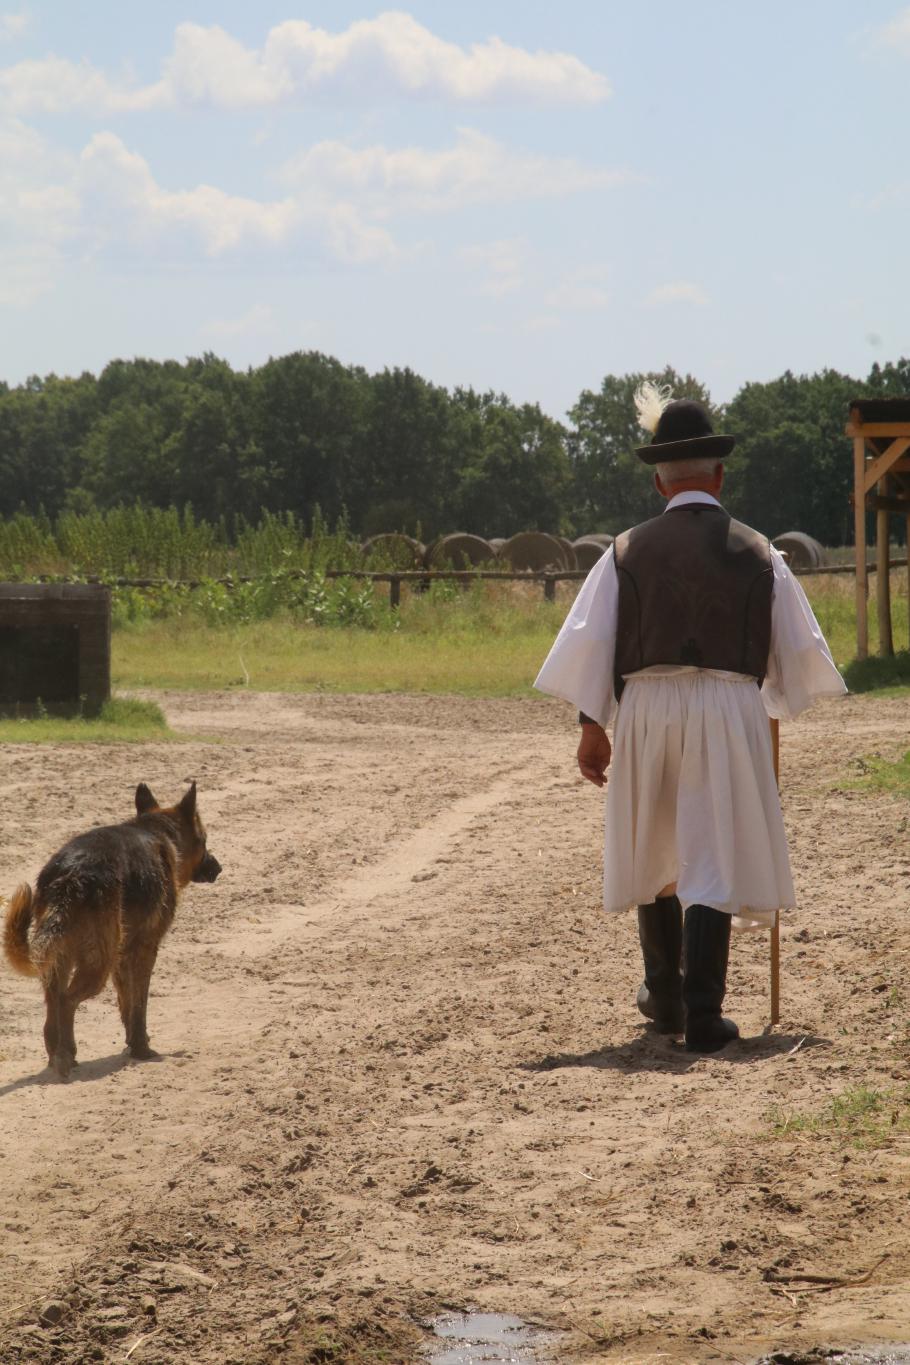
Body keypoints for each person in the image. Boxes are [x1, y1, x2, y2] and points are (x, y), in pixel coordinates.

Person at [534, 383, 846, 1052]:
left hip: (647, 704)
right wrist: (772, 695)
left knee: (657, 841)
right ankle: (704, 1010)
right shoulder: (762, 552)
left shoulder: (623, 552)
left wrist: (593, 723)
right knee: (711, 845)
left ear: (658, 481)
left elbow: (592, 641)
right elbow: (796, 653)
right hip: (729, 704)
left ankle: (667, 998)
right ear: (720, 472)